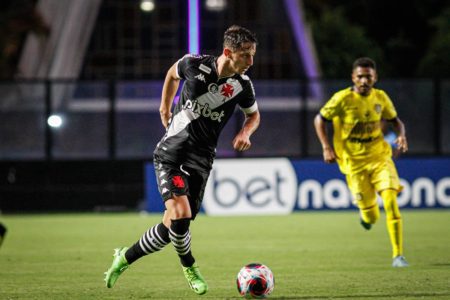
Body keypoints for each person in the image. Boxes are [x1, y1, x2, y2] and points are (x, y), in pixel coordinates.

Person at [104, 25, 260, 295]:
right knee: (181, 214)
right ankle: (190, 267)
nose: (251, 61)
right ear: (228, 52)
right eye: (245, 54)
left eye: (252, 54)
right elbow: (171, 74)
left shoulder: (242, 86)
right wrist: (164, 105)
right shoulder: (194, 64)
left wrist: (245, 131)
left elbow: (253, 115)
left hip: (202, 161)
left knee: (172, 228)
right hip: (172, 153)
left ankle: (124, 258)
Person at [313, 57, 409, 267]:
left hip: (379, 157)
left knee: (391, 201)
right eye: (360, 76)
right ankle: (366, 216)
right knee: (372, 217)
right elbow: (319, 119)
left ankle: (398, 256)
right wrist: (326, 147)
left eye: (368, 76)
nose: (364, 80)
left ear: (375, 78)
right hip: (353, 163)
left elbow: (396, 122)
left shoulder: (381, 97)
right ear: (353, 78)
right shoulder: (342, 99)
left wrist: (401, 135)